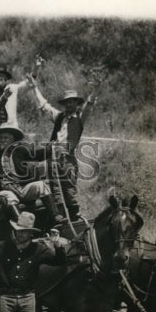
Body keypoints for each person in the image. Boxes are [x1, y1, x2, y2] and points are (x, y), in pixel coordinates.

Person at [28, 81, 99, 221]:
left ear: (76, 103)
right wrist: (34, 87)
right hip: (53, 158)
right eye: (67, 102)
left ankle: (74, 218)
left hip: (67, 160)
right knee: (55, 190)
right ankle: (59, 219)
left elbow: (89, 105)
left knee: (69, 191)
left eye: (72, 102)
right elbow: (44, 107)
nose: (69, 105)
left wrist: (96, 88)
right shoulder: (59, 117)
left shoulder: (80, 118)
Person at [0, 125, 62, 225]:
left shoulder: (18, 151)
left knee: (42, 186)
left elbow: (36, 154)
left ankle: (55, 216)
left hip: (21, 187)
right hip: (4, 189)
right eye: (0, 138)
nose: (2, 140)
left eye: (5, 138)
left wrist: (50, 149)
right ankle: (21, 223)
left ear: (12, 140)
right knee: (9, 196)